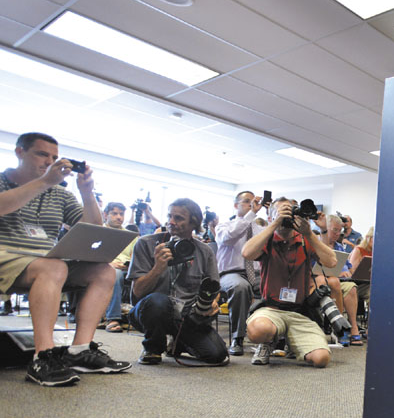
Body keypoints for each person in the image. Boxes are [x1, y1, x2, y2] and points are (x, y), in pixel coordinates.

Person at [0, 132, 130, 386]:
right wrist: (45, 182)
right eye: (41, 154)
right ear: (19, 152)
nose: (49, 161)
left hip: (46, 261)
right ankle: (43, 356)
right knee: (53, 267)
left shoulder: (59, 194)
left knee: (103, 271)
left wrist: (86, 192)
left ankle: (80, 350)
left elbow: (93, 225)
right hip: (6, 256)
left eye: (54, 157)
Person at [127, 198, 228, 366]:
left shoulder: (205, 251)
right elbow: (137, 292)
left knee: (216, 354)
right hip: (150, 312)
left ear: (193, 223)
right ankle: (152, 348)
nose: (171, 222)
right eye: (170, 216)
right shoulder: (146, 243)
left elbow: (213, 288)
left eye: (179, 218)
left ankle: (179, 342)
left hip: (186, 317)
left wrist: (212, 303)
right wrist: (158, 268)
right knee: (158, 301)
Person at [242, 197, 338, 367]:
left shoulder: (304, 239)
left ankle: (293, 343)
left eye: (289, 212)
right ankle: (267, 342)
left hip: (298, 311)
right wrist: (275, 223)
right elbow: (247, 253)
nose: (286, 217)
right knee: (260, 330)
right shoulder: (268, 239)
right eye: (280, 212)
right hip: (271, 309)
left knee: (321, 359)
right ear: (270, 217)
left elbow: (332, 262)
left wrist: (310, 233)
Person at [215, 190, 266, 355]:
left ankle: (271, 338)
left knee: (275, 287)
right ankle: (238, 338)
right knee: (240, 287)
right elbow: (230, 237)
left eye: (253, 202)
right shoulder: (224, 226)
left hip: (256, 274)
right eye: (247, 201)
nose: (251, 204)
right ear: (236, 205)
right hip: (231, 274)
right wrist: (252, 214)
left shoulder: (260, 227)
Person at [319, 215, 363, 346]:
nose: (338, 234)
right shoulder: (317, 244)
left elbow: (349, 268)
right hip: (323, 281)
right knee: (336, 283)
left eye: (339, 231)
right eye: (335, 230)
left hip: (342, 282)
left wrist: (348, 272)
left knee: (352, 288)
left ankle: (353, 327)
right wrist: (337, 273)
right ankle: (340, 327)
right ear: (325, 228)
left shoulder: (339, 247)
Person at [102, 201, 137, 333]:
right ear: (106, 214)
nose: (119, 217)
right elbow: (93, 254)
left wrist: (131, 266)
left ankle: (139, 318)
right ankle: (113, 318)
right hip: (105, 267)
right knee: (114, 274)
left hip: (127, 268)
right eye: (114, 213)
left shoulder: (131, 236)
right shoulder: (99, 231)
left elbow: (135, 257)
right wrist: (108, 263)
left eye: (121, 214)